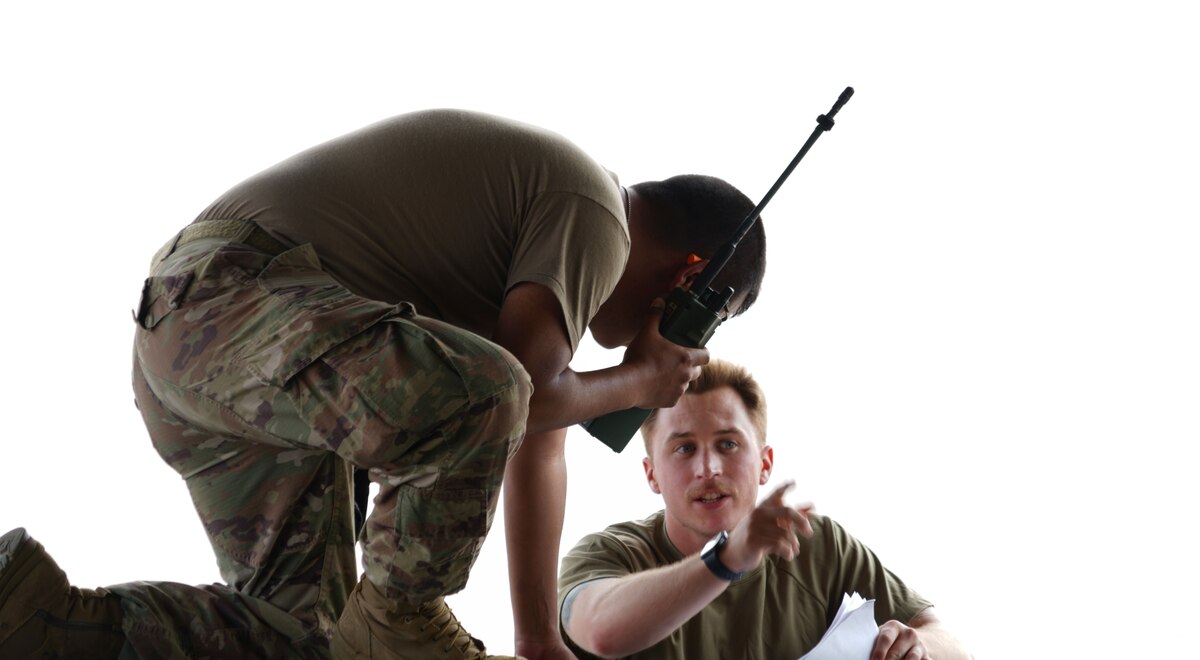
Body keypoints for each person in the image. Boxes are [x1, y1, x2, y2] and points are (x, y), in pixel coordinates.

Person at [0, 109, 767, 660]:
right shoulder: (596, 212)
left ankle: (39, 618)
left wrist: (537, 641)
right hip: (229, 304)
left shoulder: (550, 273)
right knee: (490, 391)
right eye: (713, 316)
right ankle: (400, 613)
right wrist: (638, 376)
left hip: (212, 352)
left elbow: (539, 440)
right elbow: (524, 391)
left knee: (306, 639)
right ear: (689, 277)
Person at [557, 359, 972, 660]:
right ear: (652, 475)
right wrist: (727, 559)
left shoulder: (817, 543)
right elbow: (601, 631)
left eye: (728, 444)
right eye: (684, 448)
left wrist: (918, 648)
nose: (708, 469)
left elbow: (947, 641)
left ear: (765, 464)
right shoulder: (608, 553)